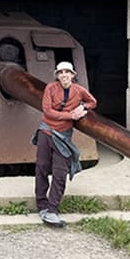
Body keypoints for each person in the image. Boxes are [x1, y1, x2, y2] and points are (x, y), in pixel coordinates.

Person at [32, 61, 97, 227]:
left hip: (63, 137)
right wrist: (71, 116)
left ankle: (52, 210)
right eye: (61, 72)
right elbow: (47, 111)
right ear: (57, 76)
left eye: (67, 72)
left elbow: (92, 102)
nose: (64, 75)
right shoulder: (50, 88)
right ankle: (41, 205)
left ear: (73, 75)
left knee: (60, 173)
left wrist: (83, 107)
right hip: (46, 133)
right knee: (41, 168)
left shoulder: (78, 90)